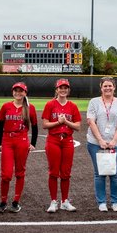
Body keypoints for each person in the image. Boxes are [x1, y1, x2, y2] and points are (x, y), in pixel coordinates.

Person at [0, 82, 39, 213]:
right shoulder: (6, 106)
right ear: (12, 92)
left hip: (22, 140)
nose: (18, 93)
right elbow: (0, 126)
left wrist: (33, 143)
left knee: (20, 172)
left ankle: (15, 202)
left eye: (21, 91)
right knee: (6, 174)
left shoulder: (30, 108)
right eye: (16, 90)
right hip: (7, 140)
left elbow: (35, 127)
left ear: (25, 93)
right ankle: (3, 201)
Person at [85, 77, 117, 212]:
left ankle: (115, 202)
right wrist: (101, 140)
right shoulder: (94, 102)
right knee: (100, 174)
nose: (108, 88)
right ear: (101, 87)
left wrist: (114, 140)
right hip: (96, 143)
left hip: (116, 143)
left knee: (116, 174)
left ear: (114, 87)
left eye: (110, 86)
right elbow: (91, 121)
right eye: (105, 86)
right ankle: (101, 202)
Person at [42, 79, 81, 213]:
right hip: (53, 140)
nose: (63, 90)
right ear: (57, 90)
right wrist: (58, 123)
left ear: (68, 90)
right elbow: (45, 124)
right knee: (53, 172)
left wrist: (66, 122)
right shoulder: (50, 104)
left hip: (67, 140)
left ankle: (65, 201)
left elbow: (78, 126)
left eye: (65, 88)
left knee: (66, 173)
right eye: (61, 88)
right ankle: (53, 201)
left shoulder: (73, 106)